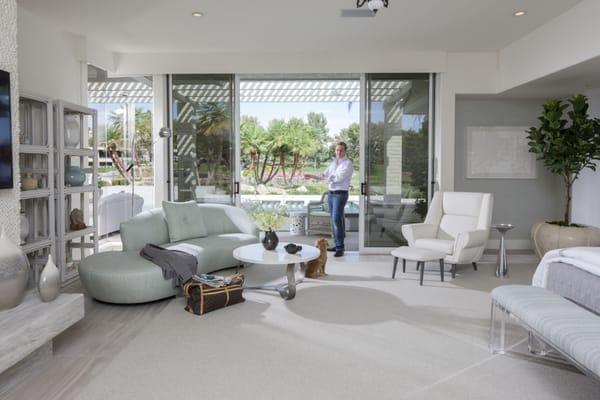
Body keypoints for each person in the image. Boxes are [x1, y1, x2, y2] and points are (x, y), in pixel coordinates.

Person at [322, 142, 353, 257]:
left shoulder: (347, 164)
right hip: (331, 194)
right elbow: (324, 174)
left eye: (341, 150)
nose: (338, 152)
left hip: (340, 194)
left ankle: (340, 248)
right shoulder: (333, 163)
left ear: (345, 151)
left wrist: (327, 179)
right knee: (335, 220)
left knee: (336, 220)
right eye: (337, 150)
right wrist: (312, 176)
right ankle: (337, 245)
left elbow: (338, 179)